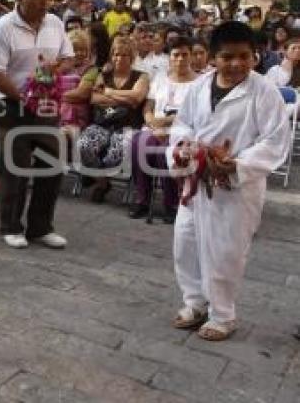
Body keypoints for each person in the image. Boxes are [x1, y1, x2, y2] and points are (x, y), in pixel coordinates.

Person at [170, 21, 289, 341]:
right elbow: (182, 125)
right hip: (197, 181)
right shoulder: (198, 87)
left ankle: (222, 314)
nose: (235, 63)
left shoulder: (265, 93)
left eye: (243, 56)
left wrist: (235, 164)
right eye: (226, 57)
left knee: (225, 251)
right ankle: (194, 303)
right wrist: (185, 149)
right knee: (186, 243)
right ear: (211, 57)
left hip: (236, 188)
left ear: (255, 56)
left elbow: (275, 142)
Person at [0, 0, 73, 249]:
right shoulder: (2, 28)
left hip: (47, 105)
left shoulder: (56, 24)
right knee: (15, 169)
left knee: (53, 165)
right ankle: (11, 226)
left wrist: (54, 69)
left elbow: (68, 59)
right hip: (12, 105)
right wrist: (24, 96)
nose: (44, 3)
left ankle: (41, 227)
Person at [129, 37, 198, 223]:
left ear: (191, 57)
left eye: (185, 55)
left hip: (181, 131)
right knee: (138, 143)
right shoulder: (160, 78)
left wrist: (165, 123)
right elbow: (148, 106)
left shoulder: (198, 84)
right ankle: (142, 199)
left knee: (167, 152)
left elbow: (192, 115)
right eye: (176, 55)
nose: (180, 59)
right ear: (170, 57)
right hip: (155, 127)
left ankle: (172, 204)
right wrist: (151, 121)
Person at [77, 36, 149, 202]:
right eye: (116, 54)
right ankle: (102, 183)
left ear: (131, 57)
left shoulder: (141, 77)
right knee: (83, 146)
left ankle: (95, 178)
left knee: (114, 156)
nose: (119, 58)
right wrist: (125, 99)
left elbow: (137, 97)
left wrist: (108, 92)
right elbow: (95, 99)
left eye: (124, 55)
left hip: (128, 125)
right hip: (102, 123)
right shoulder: (104, 74)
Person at [59, 30, 99, 135]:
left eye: (83, 50)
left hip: (76, 119)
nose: (79, 53)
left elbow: (81, 94)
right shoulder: (60, 67)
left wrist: (54, 95)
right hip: (55, 115)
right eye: (75, 49)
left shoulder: (91, 69)